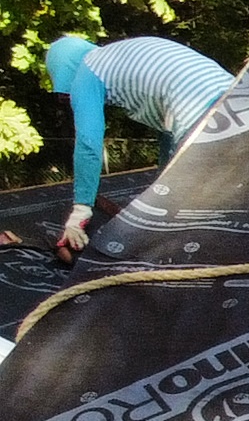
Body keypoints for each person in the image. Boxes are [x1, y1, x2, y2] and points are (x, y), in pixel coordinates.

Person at [40, 32, 232, 259]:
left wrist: (81, 209)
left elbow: (88, 143)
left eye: (65, 93)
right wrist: (162, 186)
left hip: (196, 109)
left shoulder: (86, 73)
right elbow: (169, 136)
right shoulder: (116, 56)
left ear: (65, 72)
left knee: (187, 208)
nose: (68, 99)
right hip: (237, 94)